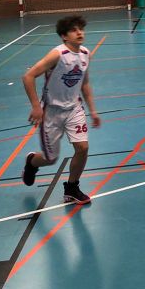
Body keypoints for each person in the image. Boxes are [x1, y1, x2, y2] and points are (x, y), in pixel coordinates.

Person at [20, 15, 101, 205]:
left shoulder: (85, 54)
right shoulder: (57, 55)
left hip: (74, 109)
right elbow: (28, 76)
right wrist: (36, 106)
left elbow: (85, 84)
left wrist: (93, 111)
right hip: (51, 111)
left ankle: (72, 188)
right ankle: (32, 162)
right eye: (74, 30)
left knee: (83, 148)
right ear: (64, 36)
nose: (79, 32)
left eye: (81, 29)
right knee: (51, 159)